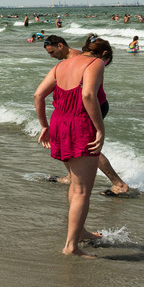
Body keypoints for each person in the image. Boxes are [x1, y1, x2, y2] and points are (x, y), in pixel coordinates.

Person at [34, 35, 106, 257]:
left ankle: (80, 231)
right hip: (79, 126)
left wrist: (44, 126)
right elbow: (87, 95)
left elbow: (38, 95)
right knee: (82, 190)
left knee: (76, 184)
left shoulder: (60, 66)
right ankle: (71, 246)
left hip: (59, 124)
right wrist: (100, 129)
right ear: (104, 54)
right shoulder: (96, 63)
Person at [43, 35, 130, 196]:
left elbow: (88, 93)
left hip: (91, 106)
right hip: (76, 108)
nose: (51, 56)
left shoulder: (85, 59)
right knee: (68, 140)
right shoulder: (75, 60)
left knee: (88, 146)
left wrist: (99, 128)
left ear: (61, 45)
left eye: (52, 52)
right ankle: (71, 176)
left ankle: (119, 183)